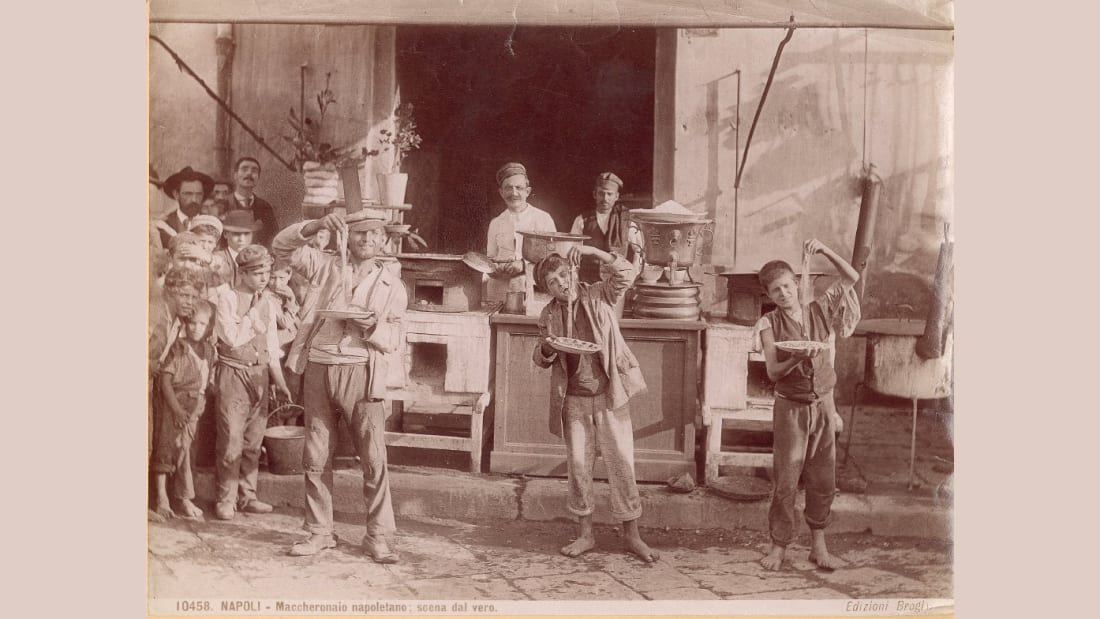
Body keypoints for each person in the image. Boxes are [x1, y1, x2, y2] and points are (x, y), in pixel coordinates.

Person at [272, 211, 407, 563]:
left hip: (361, 372)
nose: (366, 240)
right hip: (319, 366)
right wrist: (317, 225)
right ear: (346, 236)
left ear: (384, 241)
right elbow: (281, 245)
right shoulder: (326, 266)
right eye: (358, 233)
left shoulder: (392, 286)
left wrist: (369, 327)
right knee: (315, 455)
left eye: (374, 234)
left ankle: (378, 536)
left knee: (373, 457)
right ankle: (319, 531)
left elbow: (394, 337)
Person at [531, 245, 659, 563]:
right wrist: (547, 350)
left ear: (573, 273)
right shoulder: (548, 314)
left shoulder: (599, 294)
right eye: (552, 282)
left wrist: (590, 251)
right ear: (546, 289)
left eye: (563, 275)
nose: (561, 283)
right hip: (573, 399)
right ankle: (586, 535)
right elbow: (541, 357)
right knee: (578, 468)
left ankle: (632, 536)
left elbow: (627, 272)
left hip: (610, 395)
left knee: (621, 466)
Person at [755, 239, 861, 572]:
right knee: (787, 479)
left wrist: (825, 251)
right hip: (791, 408)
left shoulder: (820, 308)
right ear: (769, 296)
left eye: (787, 286)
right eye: (776, 290)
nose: (783, 293)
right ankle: (779, 546)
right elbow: (773, 371)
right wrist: (795, 359)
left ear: (797, 283)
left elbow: (852, 278)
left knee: (822, 477)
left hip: (824, 405)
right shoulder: (768, 324)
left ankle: (819, 546)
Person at [211, 244, 294, 521]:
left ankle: (248, 496)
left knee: (252, 442)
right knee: (231, 440)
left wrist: (279, 382)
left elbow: (270, 347)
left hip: (259, 376)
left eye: (267, 272)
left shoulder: (269, 303)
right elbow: (232, 338)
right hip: (233, 375)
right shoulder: (228, 299)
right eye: (257, 273)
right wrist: (254, 312)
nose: (263, 278)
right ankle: (226, 498)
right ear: (242, 273)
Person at [150, 299, 215, 522]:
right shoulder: (178, 347)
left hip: (194, 407)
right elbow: (165, 381)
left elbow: (206, 380)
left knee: (186, 451)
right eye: (193, 323)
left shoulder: (208, 349)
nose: (197, 328)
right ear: (186, 323)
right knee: (165, 447)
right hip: (174, 404)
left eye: (203, 324)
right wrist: (176, 409)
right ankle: (161, 498)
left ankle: (184, 497)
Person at [486, 162, 557, 304]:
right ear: (501, 192)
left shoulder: (543, 218)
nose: (514, 193)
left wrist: (524, 265)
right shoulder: (496, 223)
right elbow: (490, 257)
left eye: (518, 188)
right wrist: (495, 267)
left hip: (534, 292)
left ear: (528, 191)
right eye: (508, 188)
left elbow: (554, 259)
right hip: (499, 293)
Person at [569, 172, 642, 283]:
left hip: (617, 284)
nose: (605, 198)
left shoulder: (627, 220)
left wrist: (633, 274)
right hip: (588, 283)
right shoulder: (582, 220)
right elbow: (573, 252)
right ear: (594, 194)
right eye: (601, 194)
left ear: (616, 196)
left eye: (609, 194)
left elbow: (640, 251)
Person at [153, 166, 214, 249]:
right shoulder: (164, 225)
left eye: (198, 194)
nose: (194, 199)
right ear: (176, 194)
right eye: (188, 194)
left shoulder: (211, 224)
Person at [229, 157, 279, 247]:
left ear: (258, 178)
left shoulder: (265, 207)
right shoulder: (223, 204)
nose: (249, 173)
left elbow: (273, 237)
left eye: (254, 171)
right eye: (244, 169)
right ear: (235, 175)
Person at [213, 210, 263, 289]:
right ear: (226, 234)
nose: (241, 239)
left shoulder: (259, 258)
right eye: (236, 234)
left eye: (247, 234)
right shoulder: (217, 258)